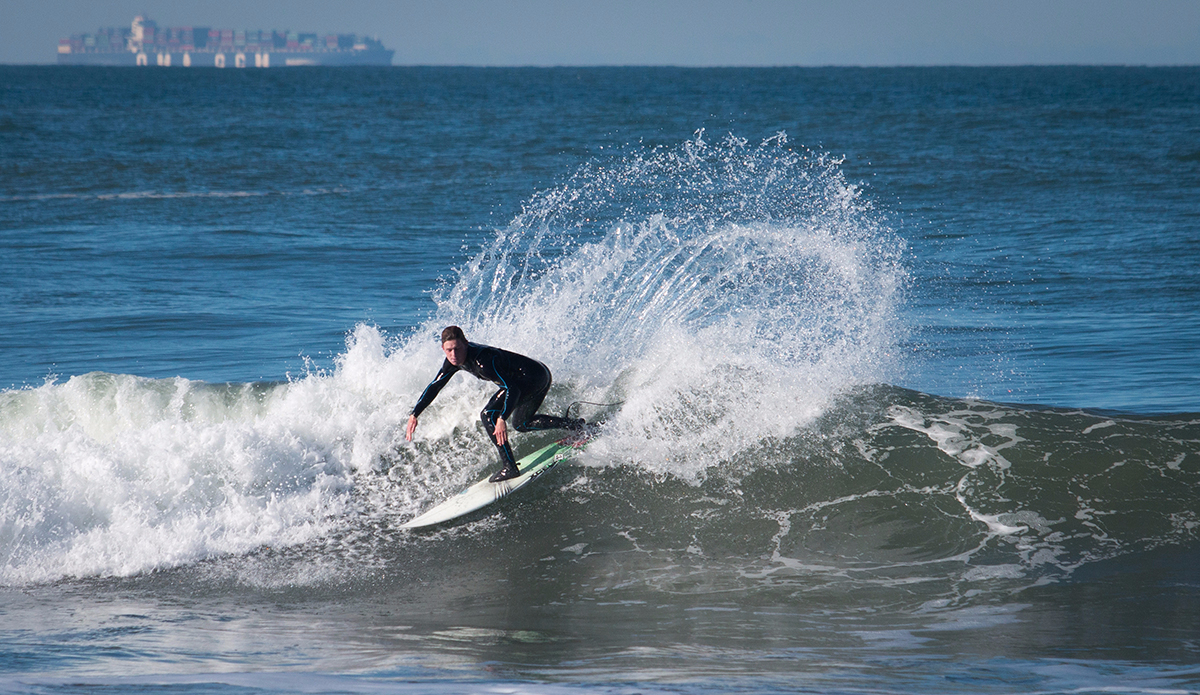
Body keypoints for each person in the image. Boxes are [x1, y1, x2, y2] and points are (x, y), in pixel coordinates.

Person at [406, 325, 584, 482]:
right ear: (443, 349)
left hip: (533, 377)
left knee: (488, 415)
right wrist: (415, 414)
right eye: (449, 350)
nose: (453, 354)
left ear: (466, 343)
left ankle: (510, 468)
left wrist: (502, 418)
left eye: (457, 349)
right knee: (522, 424)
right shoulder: (453, 361)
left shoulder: (483, 362)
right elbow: (435, 386)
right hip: (533, 375)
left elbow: (513, 389)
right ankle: (576, 426)